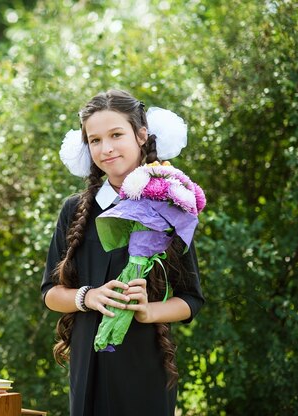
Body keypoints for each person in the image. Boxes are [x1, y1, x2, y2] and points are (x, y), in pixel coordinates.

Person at [41, 89, 205, 416]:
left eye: (116, 134)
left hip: (145, 369)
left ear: (142, 135)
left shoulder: (170, 205)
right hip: (87, 367)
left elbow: (191, 299)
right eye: (95, 140)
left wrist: (149, 311)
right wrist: (87, 296)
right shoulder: (74, 210)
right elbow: (49, 293)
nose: (107, 148)